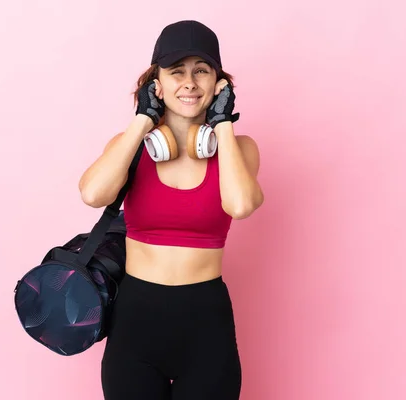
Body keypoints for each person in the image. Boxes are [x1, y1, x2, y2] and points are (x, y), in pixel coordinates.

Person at [78, 20, 264, 400]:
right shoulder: (129, 147)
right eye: (176, 71)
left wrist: (223, 124)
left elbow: (241, 204)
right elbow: (93, 194)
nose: (190, 83)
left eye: (201, 71)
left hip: (206, 326)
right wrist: (142, 120)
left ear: (218, 83)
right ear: (156, 83)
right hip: (135, 325)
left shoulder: (240, 149)